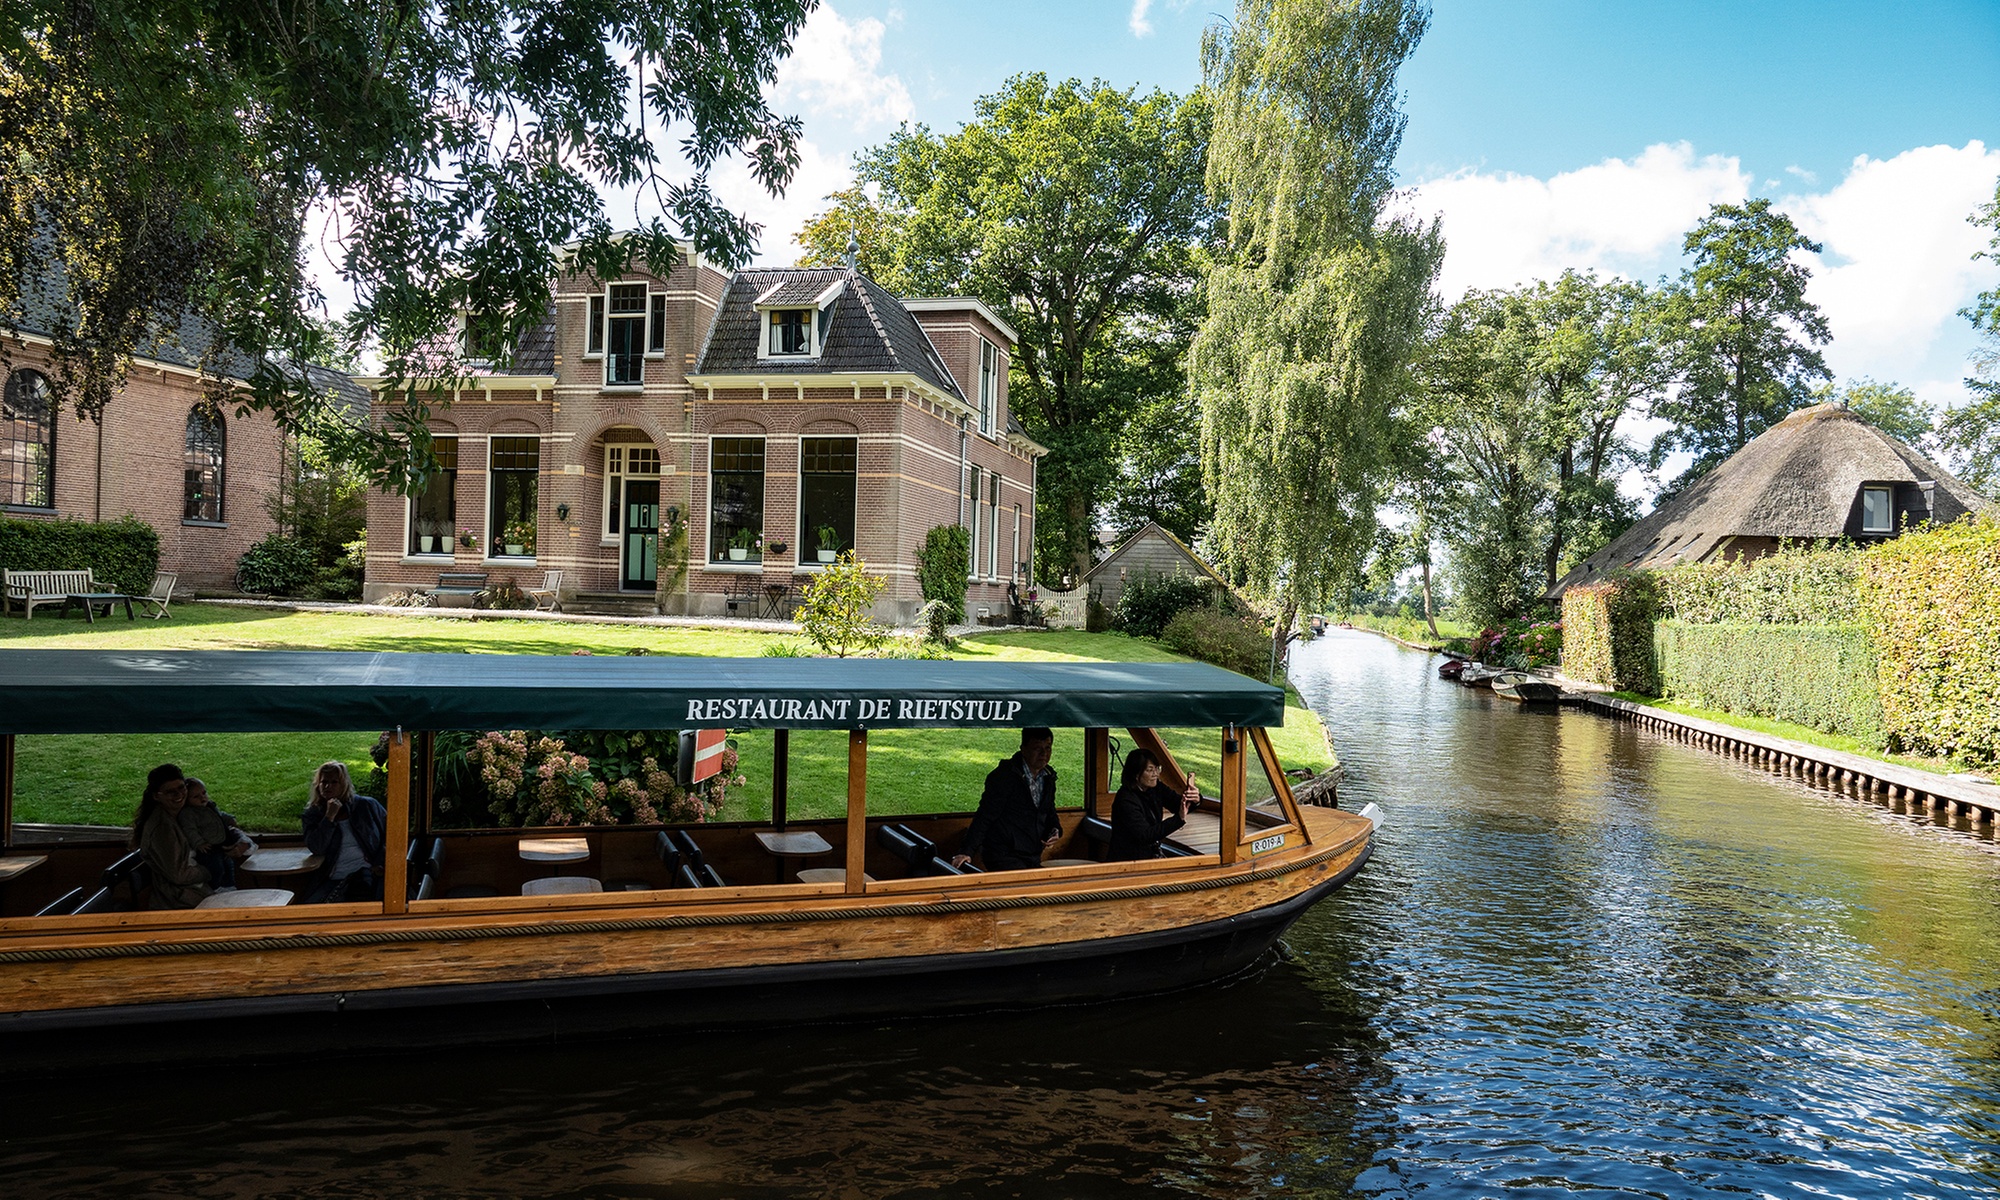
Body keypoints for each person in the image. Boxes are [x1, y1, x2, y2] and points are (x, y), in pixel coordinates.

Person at [952, 727, 1060, 871]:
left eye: (1048, 748)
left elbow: (1049, 810)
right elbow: (985, 815)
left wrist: (1056, 830)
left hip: (1032, 853)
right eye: (1037, 748)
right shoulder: (1004, 777)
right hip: (1003, 854)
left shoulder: (1048, 777)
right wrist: (966, 851)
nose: (1044, 754)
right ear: (1023, 749)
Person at [301, 761, 387, 903]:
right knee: (309, 908)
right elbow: (317, 847)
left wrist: (380, 864)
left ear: (344, 784)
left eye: (334, 782)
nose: (328, 786)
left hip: (369, 873)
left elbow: (391, 835)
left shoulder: (367, 806)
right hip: (332, 877)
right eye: (324, 782)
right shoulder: (313, 814)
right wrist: (329, 818)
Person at [132, 763, 212, 909]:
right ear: (157, 796)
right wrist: (209, 869)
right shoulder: (162, 829)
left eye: (181, 787)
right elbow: (179, 875)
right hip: (177, 900)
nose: (179, 795)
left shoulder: (182, 814)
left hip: (193, 891)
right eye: (170, 792)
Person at [1107, 748, 1199, 861]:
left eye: (1157, 768)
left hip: (1150, 856)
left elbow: (1177, 804)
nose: (1155, 774)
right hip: (1128, 861)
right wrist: (1178, 819)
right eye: (1150, 770)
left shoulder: (1156, 787)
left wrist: (1195, 799)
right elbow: (1145, 835)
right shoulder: (1125, 800)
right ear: (1136, 774)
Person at [178, 776, 251, 890]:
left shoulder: (210, 806)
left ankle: (229, 886)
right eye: (196, 797)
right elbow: (190, 830)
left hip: (221, 844)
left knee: (228, 865)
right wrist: (199, 843)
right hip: (208, 848)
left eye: (204, 793)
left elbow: (220, 816)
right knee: (216, 867)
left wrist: (230, 819)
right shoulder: (189, 814)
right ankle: (215, 887)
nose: (202, 798)